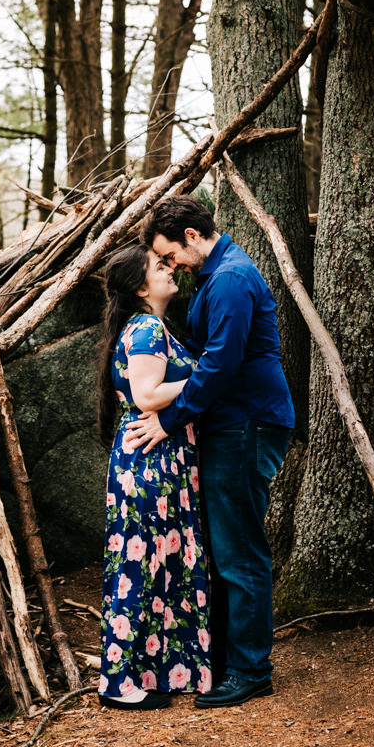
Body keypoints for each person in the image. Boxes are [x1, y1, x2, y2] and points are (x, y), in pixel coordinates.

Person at [124, 194, 294, 707]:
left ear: (192, 238)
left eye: (169, 253)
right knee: (225, 548)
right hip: (230, 425)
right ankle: (223, 661)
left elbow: (219, 365)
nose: (170, 264)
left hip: (247, 425)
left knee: (240, 550)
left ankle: (250, 670)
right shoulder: (215, 277)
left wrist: (169, 419)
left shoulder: (231, 280)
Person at [96, 243, 212, 711]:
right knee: (138, 565)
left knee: (163, 562)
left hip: (161, 458)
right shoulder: (145, 327)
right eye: (158, 267)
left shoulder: (153, 326)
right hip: (150, 459)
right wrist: (210, 375)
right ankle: (117, 683)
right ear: (141, 287)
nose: (169, 271)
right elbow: (147, 394)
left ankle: (157, 670)